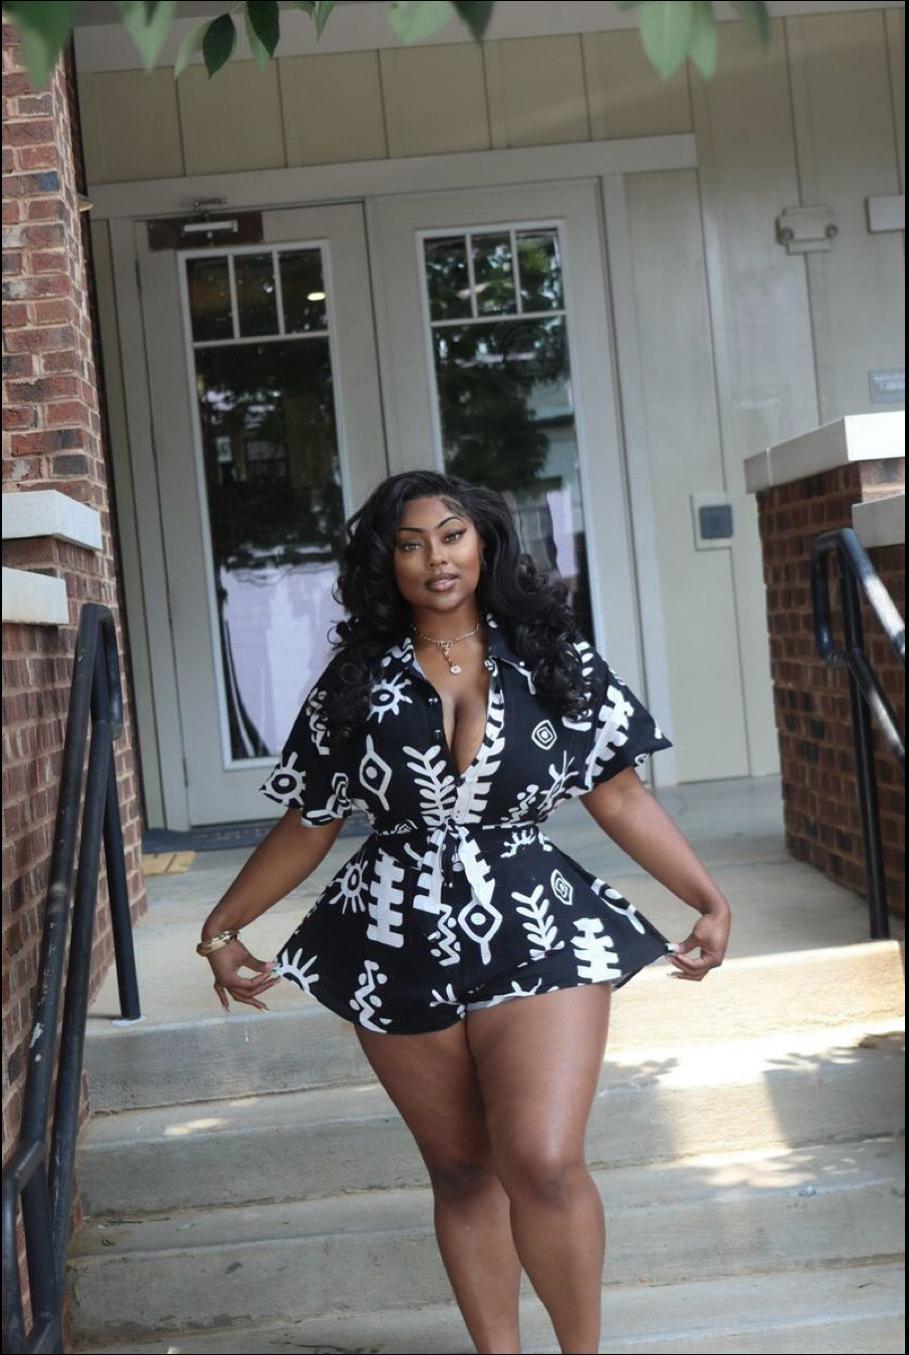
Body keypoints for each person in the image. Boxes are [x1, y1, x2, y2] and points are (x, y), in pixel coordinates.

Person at [197, 470, 732, 1355]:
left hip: (537, 922)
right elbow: (311, 820)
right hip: (391, 932)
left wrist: (704, 896)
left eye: (450, 536)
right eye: (410, 544)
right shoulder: (355, 680)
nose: (434, 558)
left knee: (544, 1160)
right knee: (460, 1171)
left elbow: (621, 794)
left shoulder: (554, 654)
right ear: (387, 563)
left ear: (483, 542)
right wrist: (222, 926)